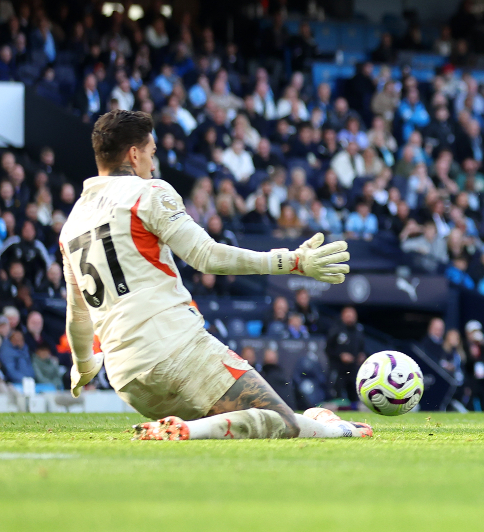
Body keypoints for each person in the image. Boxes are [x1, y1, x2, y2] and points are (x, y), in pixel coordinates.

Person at [62, 110, 366, 441]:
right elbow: (207, 255)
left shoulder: (72, 225)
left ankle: (330, 425)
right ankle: (188, 431)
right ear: (133, 154)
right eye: (151, 152)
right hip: (176, 352)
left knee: (254, 419)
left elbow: (78, 315)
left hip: (128, 378)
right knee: (280, 421)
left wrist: (83, 366)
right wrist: (290, 261)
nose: (153, 163)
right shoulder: (146, 192)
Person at [326, 306, 365, 405]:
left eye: (352, 315)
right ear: (342, 316)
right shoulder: (335, 329)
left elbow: (362, 347)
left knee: (355, 396)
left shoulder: (359, 330)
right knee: (337, 396)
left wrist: (362, 355)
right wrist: (340, 355)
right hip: (339, 369)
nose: (350, 317)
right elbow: (328, 349)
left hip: (353, 369)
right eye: (347, 314)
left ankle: (355, 415)